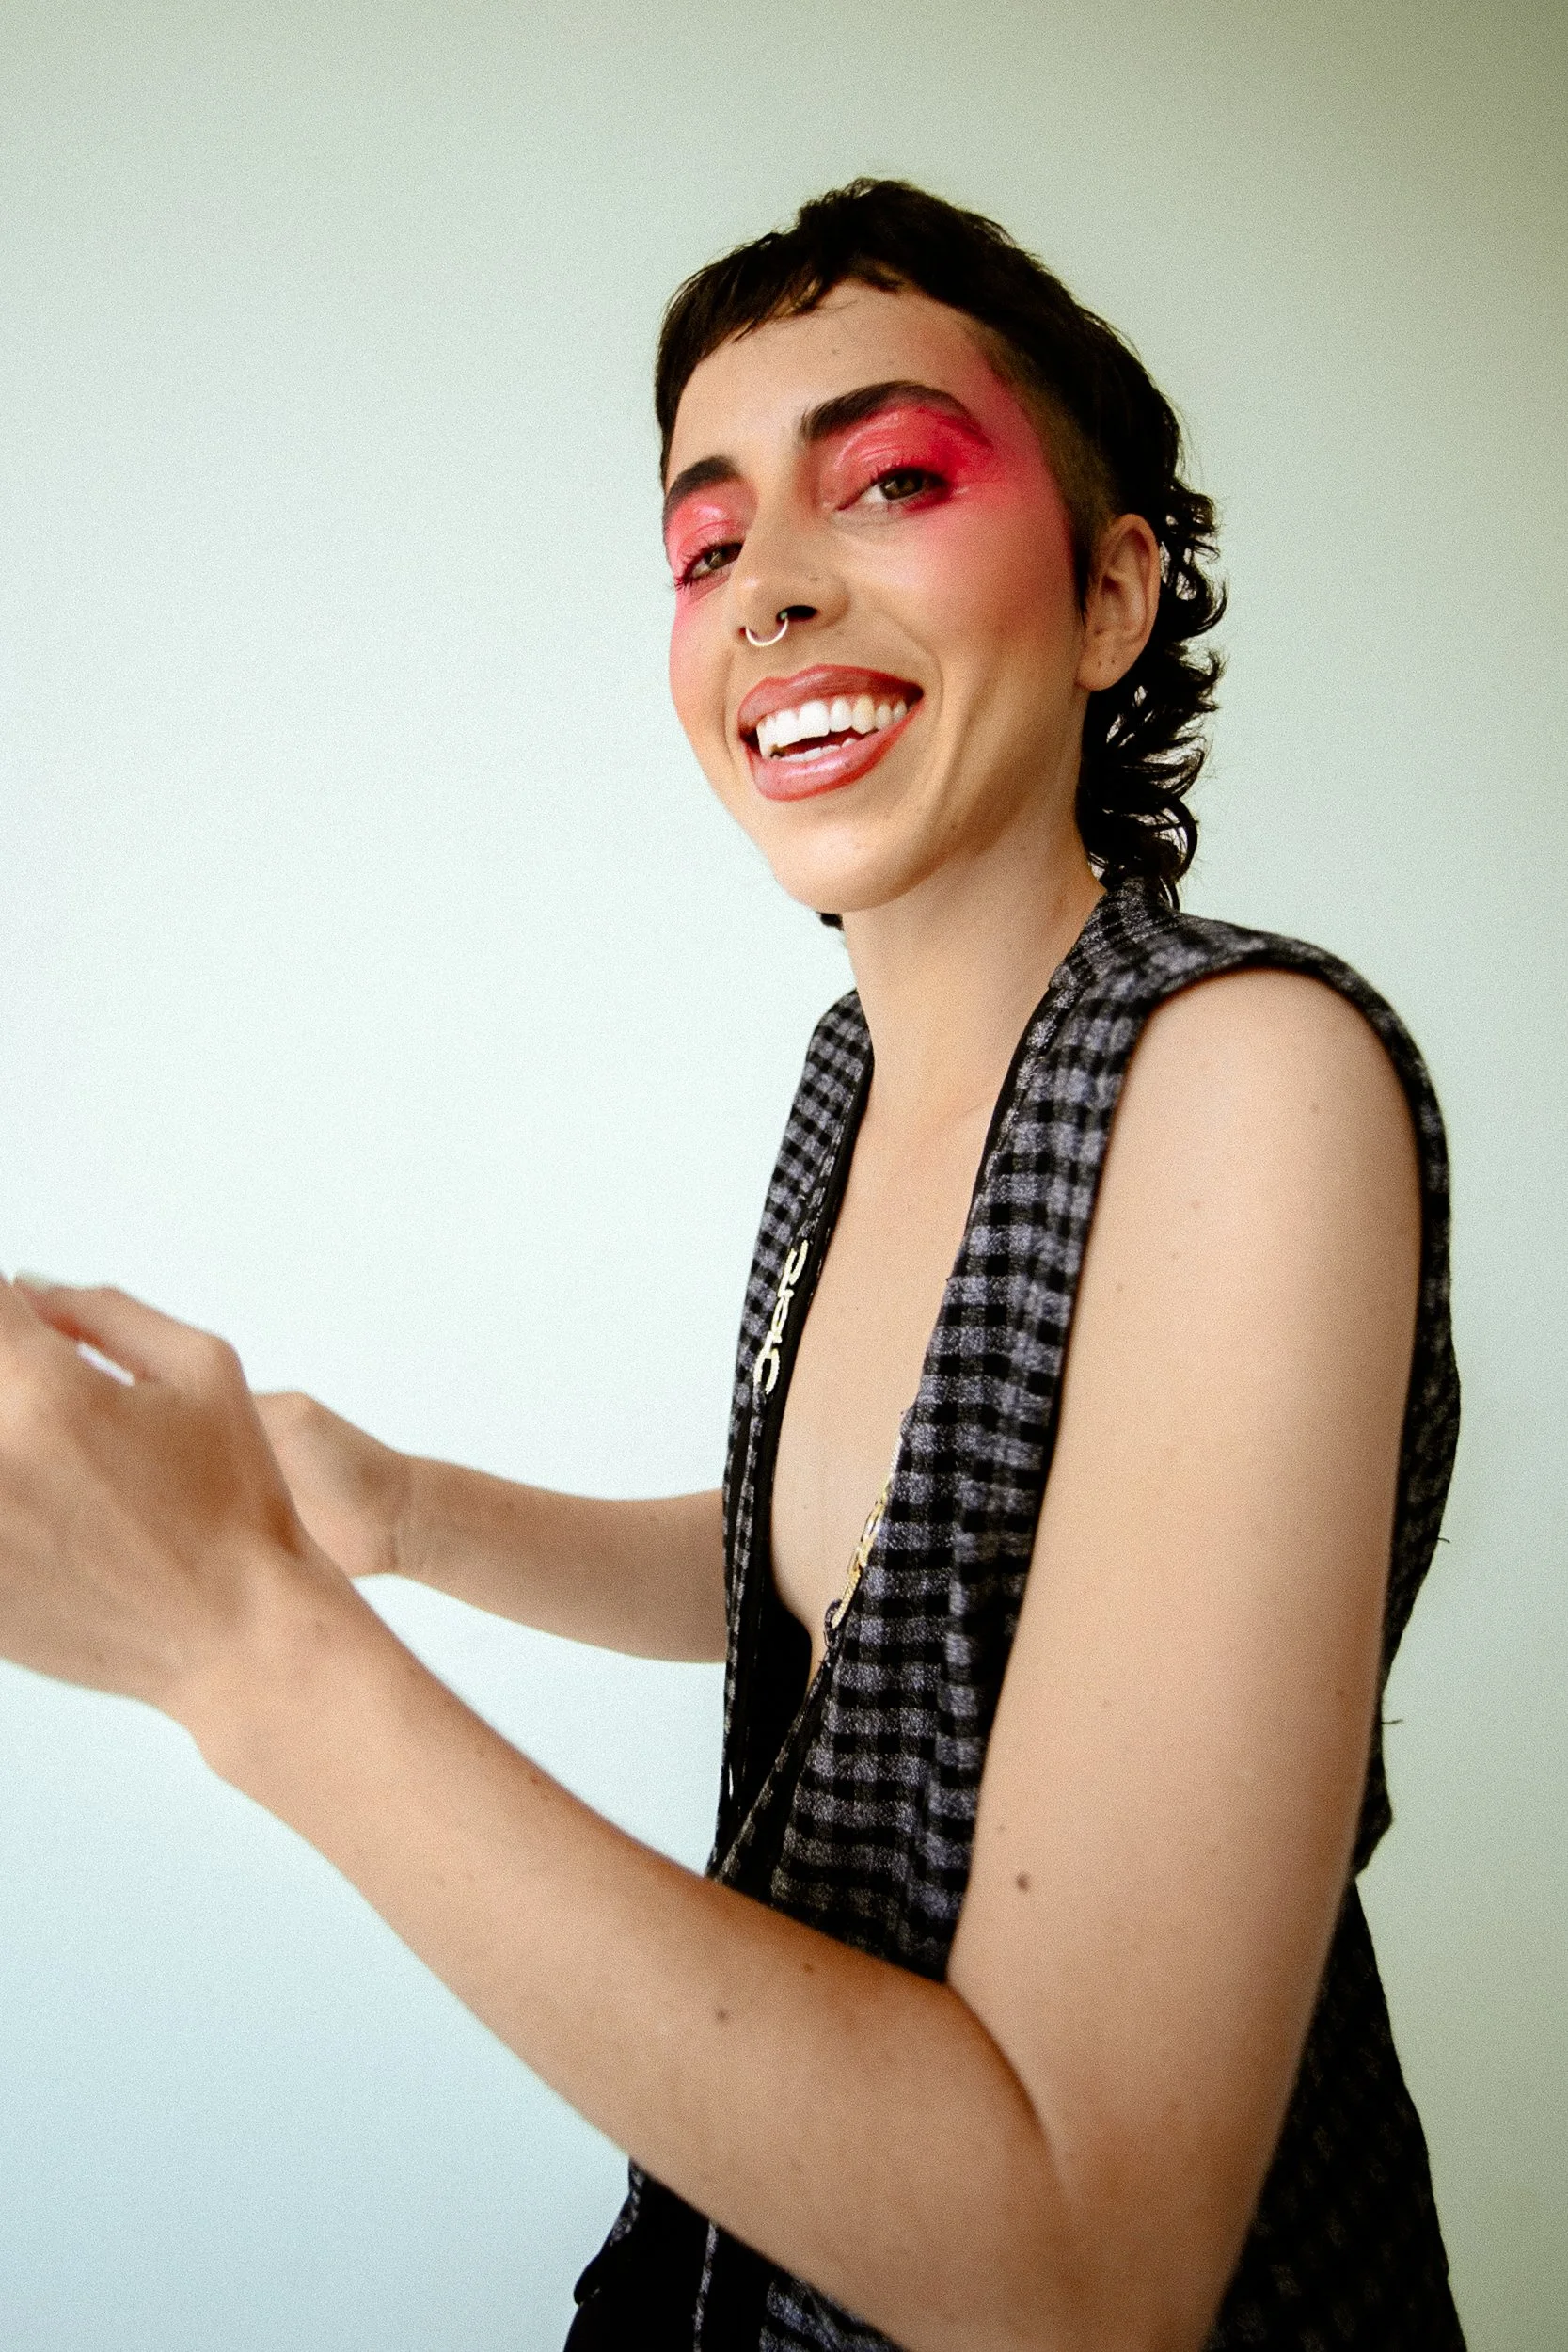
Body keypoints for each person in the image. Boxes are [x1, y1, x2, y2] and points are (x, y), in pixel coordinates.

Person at [0, 179, 1465, 2350]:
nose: (768, 586)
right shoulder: (841, 1082)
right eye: (702, 548)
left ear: (1107, 591)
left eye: (885, 480)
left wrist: (251, 1650)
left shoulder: (1246, 1077)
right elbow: (877, 1573)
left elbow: (1081, 2270)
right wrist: (392, 1504)